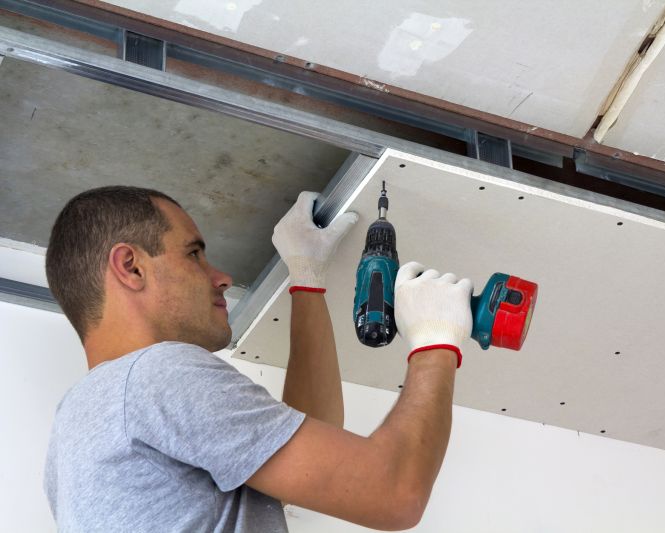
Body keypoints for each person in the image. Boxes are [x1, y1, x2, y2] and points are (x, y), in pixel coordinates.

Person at [43, 185, 473, 531]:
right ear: (131, 267)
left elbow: (311, 455)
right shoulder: (158, 374)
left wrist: (307, 279)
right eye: (193, 253)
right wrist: (436, 342)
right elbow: (393, 494)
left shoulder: (78, 426)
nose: (222, 277)